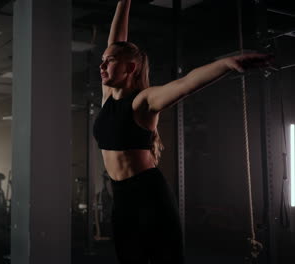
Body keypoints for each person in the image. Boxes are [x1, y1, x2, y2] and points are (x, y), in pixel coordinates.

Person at [92, 1, 273, 263]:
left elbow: (186, 83)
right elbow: (116, 38)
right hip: (120, 196)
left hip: (147, 195)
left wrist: (226, 64)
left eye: (108, 61)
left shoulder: (144, 100)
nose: (102, 65)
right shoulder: (107, 96)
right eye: (102, 60)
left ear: (130, 68)